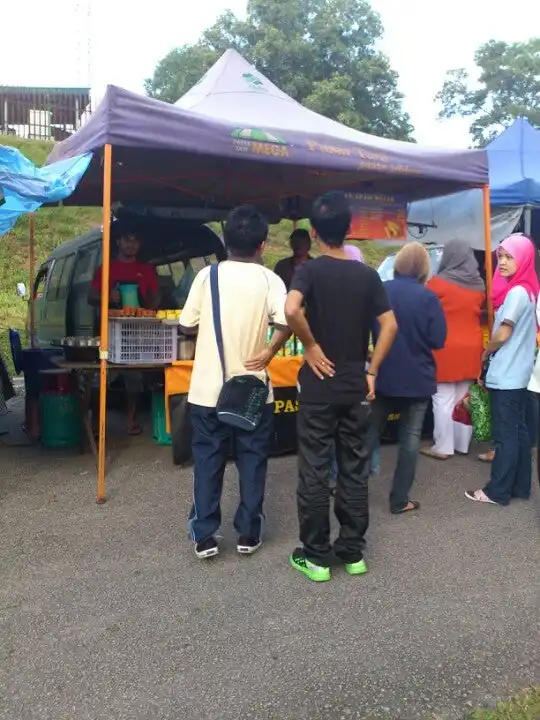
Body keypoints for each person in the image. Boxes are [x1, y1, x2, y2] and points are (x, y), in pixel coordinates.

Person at [285, 191, 397, 582]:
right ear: (349, 230)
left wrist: (312, 346)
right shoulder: (367, 275)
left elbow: (290, 309)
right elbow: (390, 325)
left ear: (313, 232)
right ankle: (352, 553)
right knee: (353, 469)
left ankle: (316, 557)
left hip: (318, 386)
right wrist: (372, 371)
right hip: (354, 385)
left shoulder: (310, 271)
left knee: (315, 470)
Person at [179, 205, 290, 560]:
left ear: (225, 241)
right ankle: (248, 532)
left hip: (207, 391)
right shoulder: (270, 280)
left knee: (208, 460)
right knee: (253, 460)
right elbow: (289, 320)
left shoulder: (206, 277)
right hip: (254, 390)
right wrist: (270, 349)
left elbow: (186, 324)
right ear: (262, 244)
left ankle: (205, 535)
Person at [367, 243, 447, 514]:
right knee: (410, 440)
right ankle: (399, 500)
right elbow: (438, 339)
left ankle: (348, 488)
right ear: (425, 268)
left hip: (383, 374)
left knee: (368, 434)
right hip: (417, 377)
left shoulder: (381, 291)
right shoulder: (428, 298)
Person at [466, 234, 538, 505]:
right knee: (518, 432)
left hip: (507, 374)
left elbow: (505, 332)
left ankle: (497, 491)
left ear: (524, 259)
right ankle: (520, 487)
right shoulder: (528, 291)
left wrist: (487, 350)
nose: (503, 262)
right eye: (501, 256)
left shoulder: (517, 292)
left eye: (510, 257)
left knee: (506, 436)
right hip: (517, 374)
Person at [89, 227, 160, 435]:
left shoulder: (146, 269)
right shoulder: (106, 269)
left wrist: (150, 306)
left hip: (136, 331)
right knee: (99, 378)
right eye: (126, 240)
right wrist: (106, 296)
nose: (131, 244)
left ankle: (130, 421)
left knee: (135, 378)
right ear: (118, 243)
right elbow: (90, 297)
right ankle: (95, 422)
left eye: (135, 240)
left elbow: (156, 295)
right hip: (108, 331)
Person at [420, 240, 485, 459]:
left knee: (442, 398)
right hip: (472, 347)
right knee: (461, 397)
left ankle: (443, 446)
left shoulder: (437, 284)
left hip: (446, 346)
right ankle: (461, 444)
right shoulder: (479, 286)